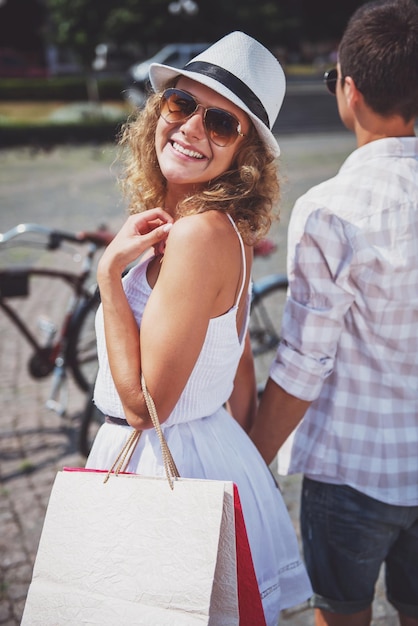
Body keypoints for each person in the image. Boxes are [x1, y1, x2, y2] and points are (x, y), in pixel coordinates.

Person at [85, 31, 312, 625]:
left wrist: (109, 276)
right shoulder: (211, 229)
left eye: (221, 123)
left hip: (162, 468)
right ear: (159, 111)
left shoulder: (196, 234)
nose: (191, 129)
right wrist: (232, 456)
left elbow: (144, 408)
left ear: (246, 155)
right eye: (182, 105)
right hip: (199, 455)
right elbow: (239, 372)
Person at [250, 1, 418, 625]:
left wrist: (251, 455)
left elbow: (303, 361)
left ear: (348, 90)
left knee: (340, 615)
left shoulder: (329, 209)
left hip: (351, 470)